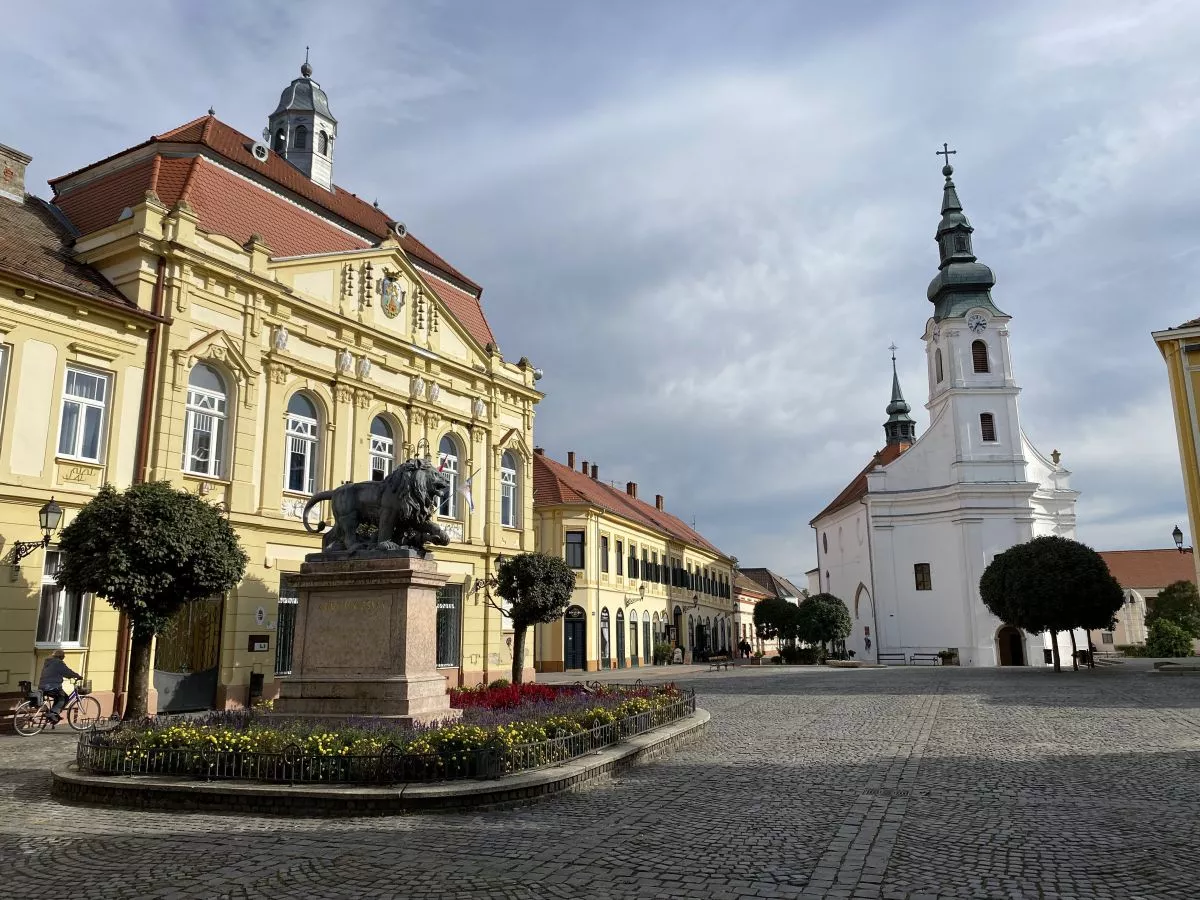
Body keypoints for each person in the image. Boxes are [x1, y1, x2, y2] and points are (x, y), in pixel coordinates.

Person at [38, 649, 81, 724]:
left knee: (58, 697)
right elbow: (67, 672)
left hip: (43, 685)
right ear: (61, 657)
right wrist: (77, 676)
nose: (63, 658)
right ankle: (52, 713)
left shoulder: (48, 662)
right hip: (51, 686)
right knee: (64, 698)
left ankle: (54, 716)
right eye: (63, 656)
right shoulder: (58, 663)